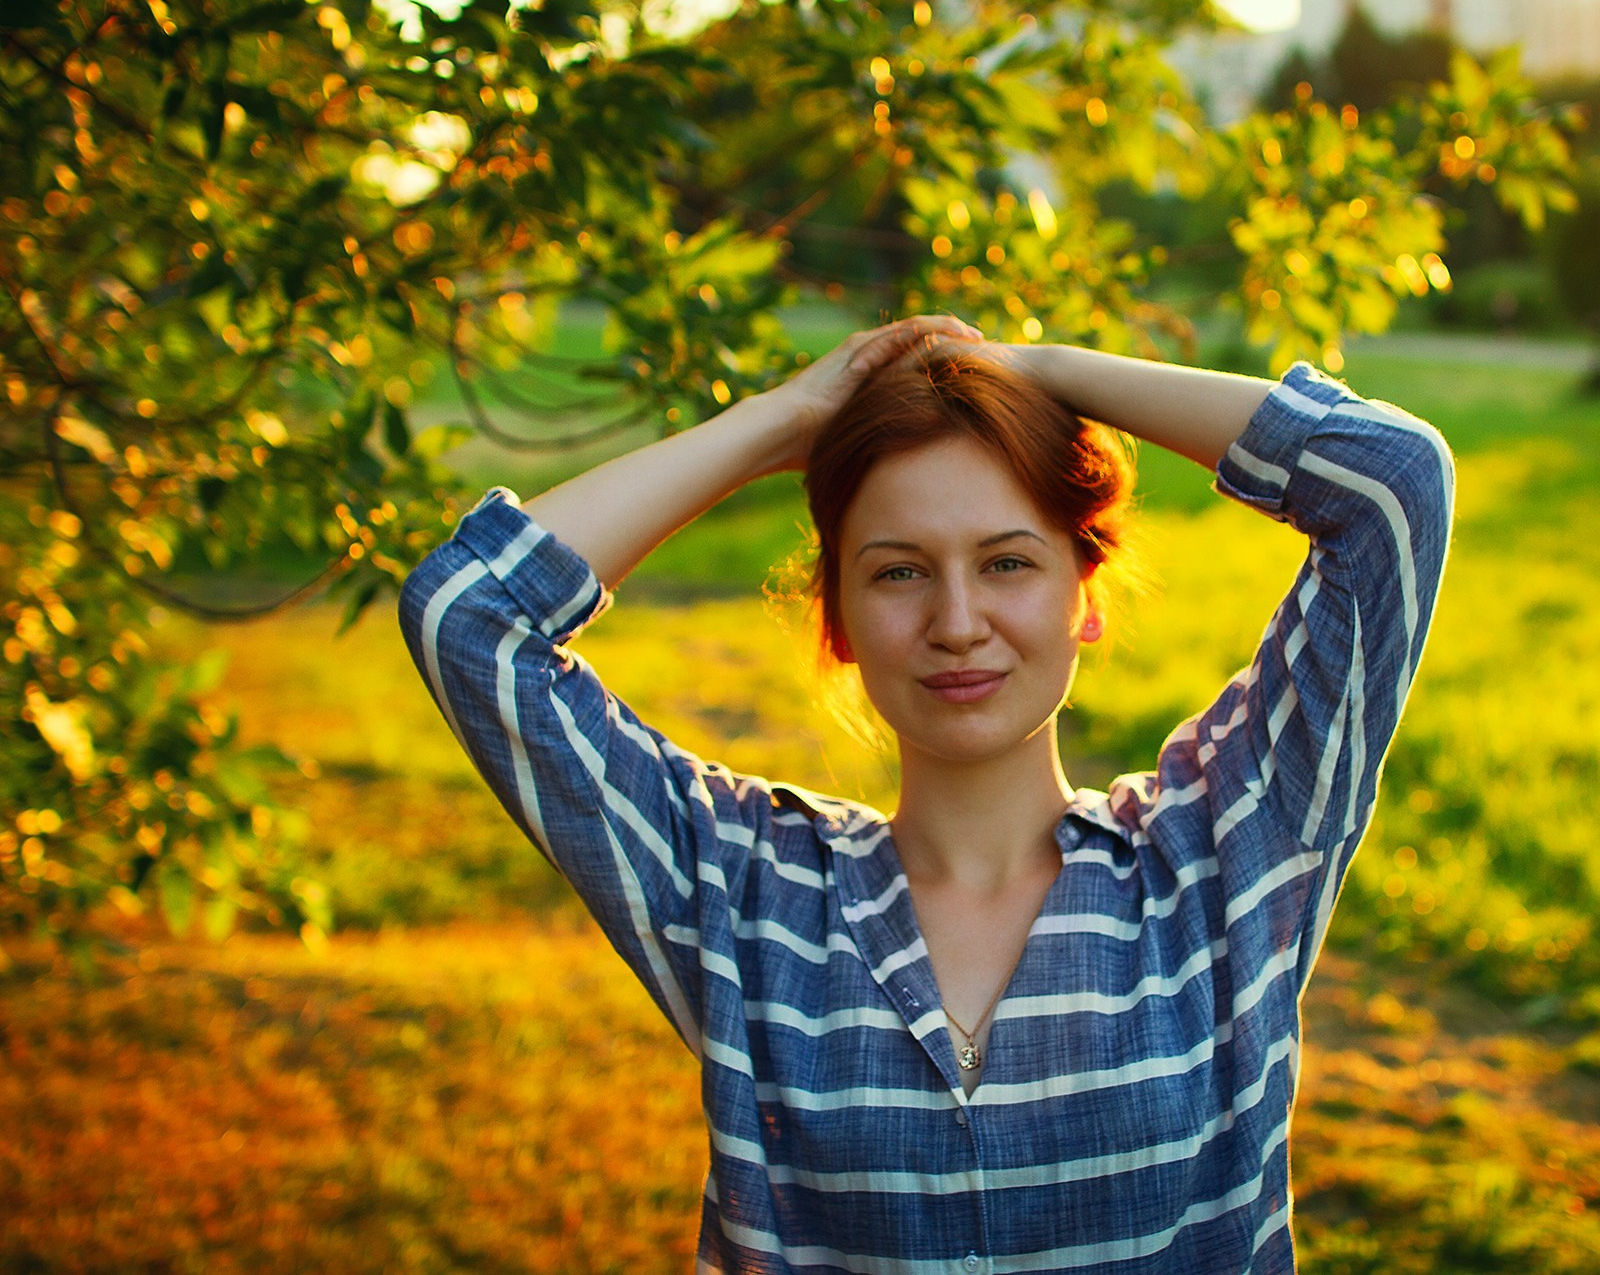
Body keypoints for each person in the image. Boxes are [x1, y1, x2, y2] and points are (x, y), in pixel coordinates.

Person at [398, 315, 1454, 1272]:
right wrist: (781, 424)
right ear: (840, 620)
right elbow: (468, 616)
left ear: (1084, 596)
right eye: (899, 571)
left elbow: (1391, 482)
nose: (956, 621)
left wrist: (1036, 371)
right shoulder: (742, 891)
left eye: (1006, 563)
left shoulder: (1223, 852)